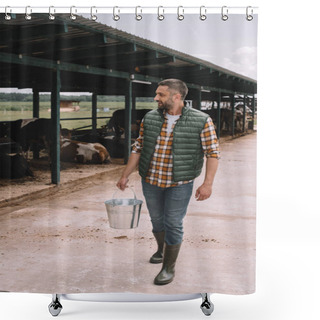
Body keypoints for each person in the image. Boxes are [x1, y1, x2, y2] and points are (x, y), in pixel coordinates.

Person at [117, 78, 220, 285]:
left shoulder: (202, 120)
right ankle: (161, 250)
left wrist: (207, 183)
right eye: (157, 94)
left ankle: (168, 267)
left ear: (177, 96)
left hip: (179, 183)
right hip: (151, 180)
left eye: (160, 94)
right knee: (157, 220)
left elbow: (212, 153)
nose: (156, 98)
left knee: (172, 222)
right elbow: (138, 147)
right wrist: (125, 174)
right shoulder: (150, 117)